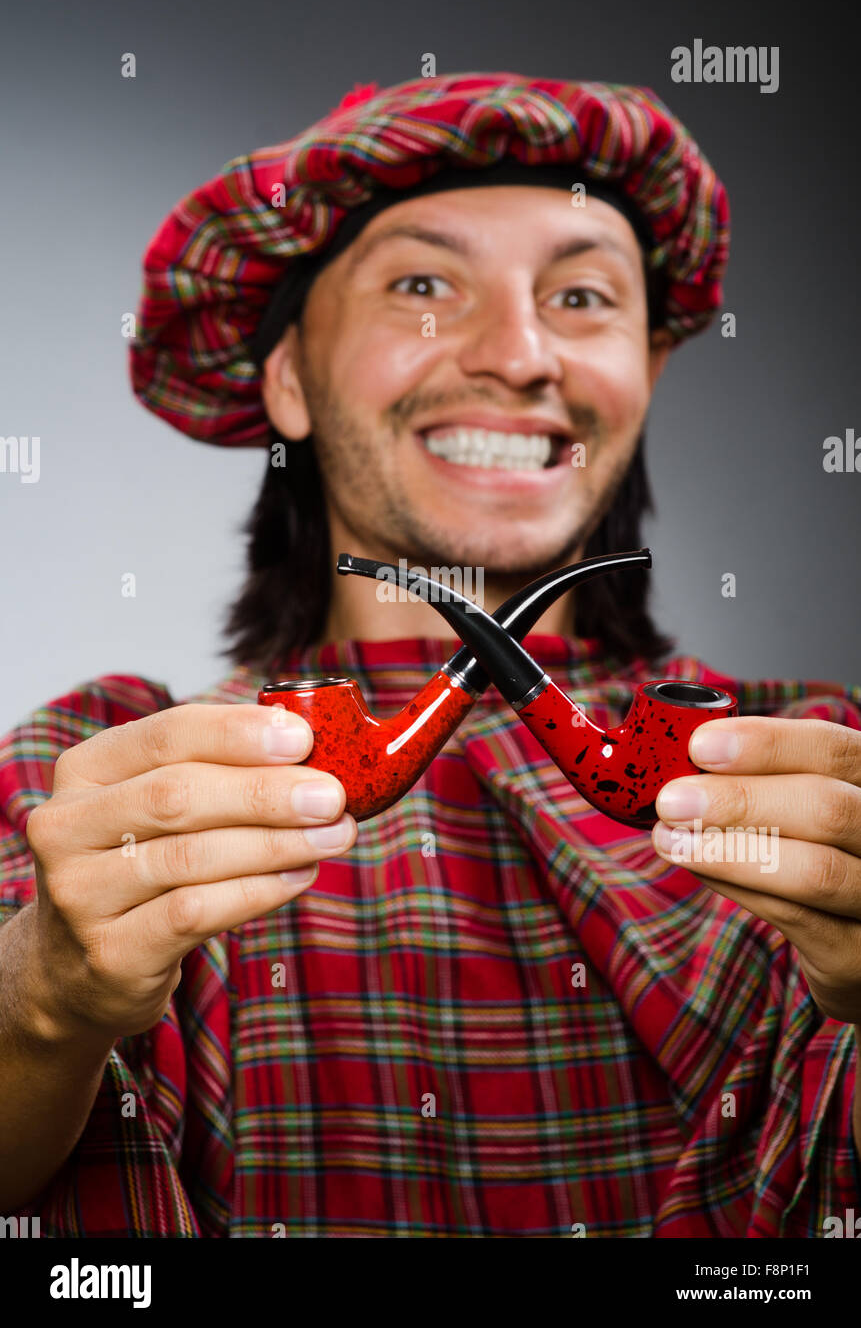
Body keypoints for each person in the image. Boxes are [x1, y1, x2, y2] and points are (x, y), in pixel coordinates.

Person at [1, 72, 859, 1238]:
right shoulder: (104, 780)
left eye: (584, 297)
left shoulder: (821, 770)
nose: (519, 354)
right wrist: (43, 1002)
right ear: (289, 376)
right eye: (420, 284)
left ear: (645, 375)